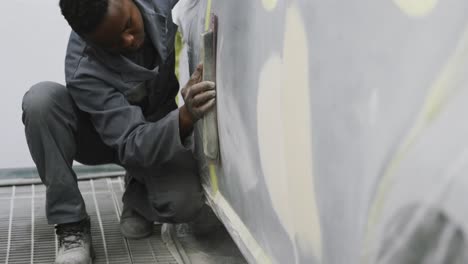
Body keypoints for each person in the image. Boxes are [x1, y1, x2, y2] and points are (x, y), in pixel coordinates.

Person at [21, 0, 216, 263]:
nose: (129, 41)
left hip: (156, 125)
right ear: (90, 41)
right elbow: (130, 142)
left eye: (128, 25)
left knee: (185, 203)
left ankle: (138, 191)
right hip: (106, 138)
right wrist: (184, 117)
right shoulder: (83, 69)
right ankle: (71, 224)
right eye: (112, 44)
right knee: (40, 102)